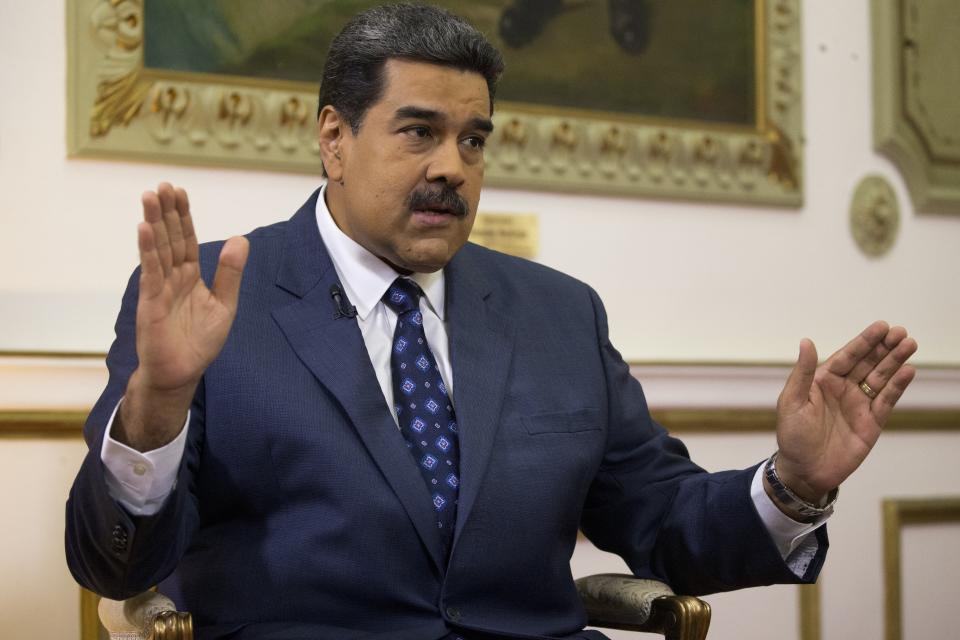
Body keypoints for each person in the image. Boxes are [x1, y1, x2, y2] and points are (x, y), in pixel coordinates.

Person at [65, 5, 917, 640]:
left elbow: (660, 521)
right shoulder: (211, 299)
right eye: (419, 132)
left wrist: (795, 484)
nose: (453, 168)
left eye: (474, 141)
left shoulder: (558, 313)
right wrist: (158, 406)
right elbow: (115, 565)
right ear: (334, 138)